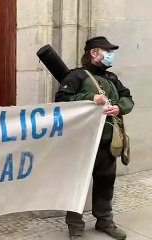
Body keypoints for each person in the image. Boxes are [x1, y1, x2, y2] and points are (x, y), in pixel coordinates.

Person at [55, 36, 134, 240]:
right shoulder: (77, 76)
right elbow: (62, 101)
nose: (110, 55)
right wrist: (91, 99)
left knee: (106, 182)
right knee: (78, 184)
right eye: (106, 51)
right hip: (82, 142)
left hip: (108, 141)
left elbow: (128, 97)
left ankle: (104, 221)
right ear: (93, 53)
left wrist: (120, 107)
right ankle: (75, 226)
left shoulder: (111, 78)